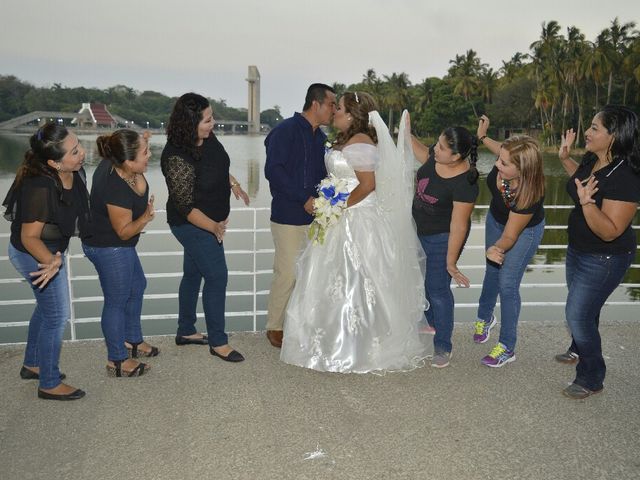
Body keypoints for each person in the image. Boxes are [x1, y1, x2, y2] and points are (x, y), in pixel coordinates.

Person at [280, 92, 428, 373]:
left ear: (351, 115)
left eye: (340, 108)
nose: (334, 111)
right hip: (341, 215)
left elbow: (367, 185)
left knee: (358, 280)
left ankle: (359, 346)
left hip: (357, 218)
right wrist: (331, 203)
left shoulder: (360, 143)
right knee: (332, 279)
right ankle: (329, 341)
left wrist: (337, 207)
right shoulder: (347, 139)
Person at [555, 105, 640, 399]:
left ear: (614, 136)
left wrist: (588, 204)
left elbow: (610, 230)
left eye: (594, 128)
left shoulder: (625, 176)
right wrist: (566, 160)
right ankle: (579, 346)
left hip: (605, 257)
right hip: (578, 249)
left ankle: (592, 376)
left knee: (577, 314)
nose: (587, 133)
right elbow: (583, 185)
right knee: (585, 310)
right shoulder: (593, 158)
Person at [3, 122, 90, 400]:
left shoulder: (75, 172)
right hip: (32, 253)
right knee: (56, 314)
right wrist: (50, 262)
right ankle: (49, 382)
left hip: (51, 253)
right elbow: (30, 237)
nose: (82, 153)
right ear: (54, 162)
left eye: (79, 146)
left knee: (45, 309)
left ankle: (32, 364)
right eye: (74, 151)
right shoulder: (40, 186)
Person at [161, 92, 249, 363]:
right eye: (207, 120)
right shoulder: (176, 156)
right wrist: (214, 227)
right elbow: (185, 207)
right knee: (217, 276)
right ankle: (219, 342)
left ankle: (186, 330)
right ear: (190, 123)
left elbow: (218, 166)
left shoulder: (208, 139)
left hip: (210, 222)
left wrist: (232, 182)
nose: (213, 123)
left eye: (212, 118)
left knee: (193, 273)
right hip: (192, 224)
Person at [264, 83, 336, 348]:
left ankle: (300, 323)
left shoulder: (322, 139)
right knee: (287, 272)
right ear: (315, 104)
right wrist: (302, 198)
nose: (334, 109)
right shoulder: (284, 131)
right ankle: (275, 326)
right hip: (288, 215)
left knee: (310, 273)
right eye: (331, 104)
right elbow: (274, 170)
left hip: (317, 217)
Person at [81, 129, 157, 377]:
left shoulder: (117, 159)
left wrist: (142, 140)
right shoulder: (115, 186)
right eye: (145, 153)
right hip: (108, 246)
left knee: (137, 286)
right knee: (116, 301)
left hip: (119, 245)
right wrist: (145, 218)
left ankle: (132, 339)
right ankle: (116, 359)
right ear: (128, 161)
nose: (150, 155)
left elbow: (121, 143)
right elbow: (124, 231)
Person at [473, 116, 545, 367]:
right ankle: (485, 317)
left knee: (507, 283)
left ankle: (507, 345)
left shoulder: (529, 194)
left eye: (503, 163)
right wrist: (483, 137)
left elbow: (510, 237)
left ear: (522, 169)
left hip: (523, 231)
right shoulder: (508, 161)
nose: (496, 164)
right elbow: (503, 151)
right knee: (491, 271)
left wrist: (497, 248)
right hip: (495, 219)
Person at [409, 120, 480, 368]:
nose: (435, 149)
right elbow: (421, 153)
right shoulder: (437, 157)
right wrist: (407, 133)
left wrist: (451, 262)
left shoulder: (465, 182)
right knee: (423, 281)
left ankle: (443, 345)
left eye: (441, 147)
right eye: (437, 143)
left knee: (438, 289)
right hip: (417, 231)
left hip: (442, 238)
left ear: (456, 156)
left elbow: (459, 225)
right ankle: (430, 322)